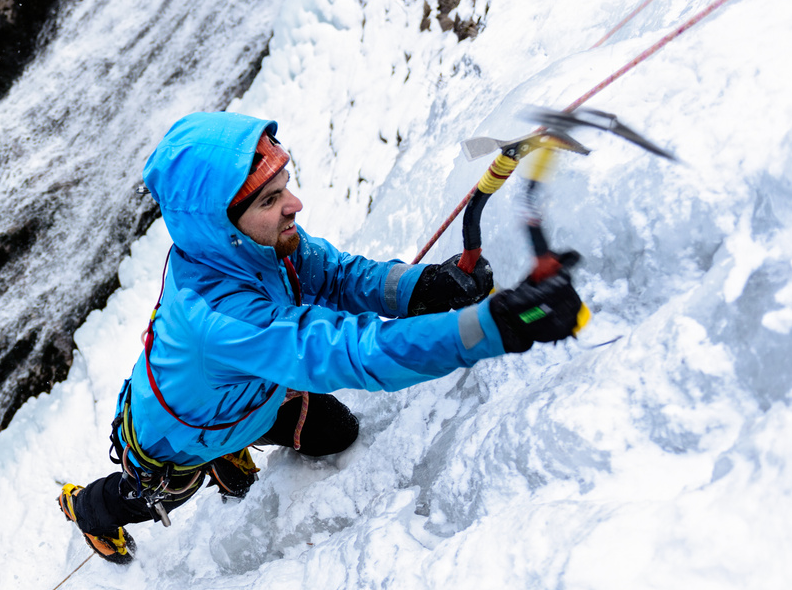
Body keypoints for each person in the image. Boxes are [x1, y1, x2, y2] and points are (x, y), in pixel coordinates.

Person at [58, 111, 584, 560]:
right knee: (151, 497)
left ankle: (229, 451)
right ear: (222, 223)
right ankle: (87, 511)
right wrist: (497, 326)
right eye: (270, 200)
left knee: (337, 432)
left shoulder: (259, 244)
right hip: (175, 441)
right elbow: (357, 352)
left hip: (250, 396)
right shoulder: (219, 318)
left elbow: (334, 276)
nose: (294, 206)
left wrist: (421, 287)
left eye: (283, 188)